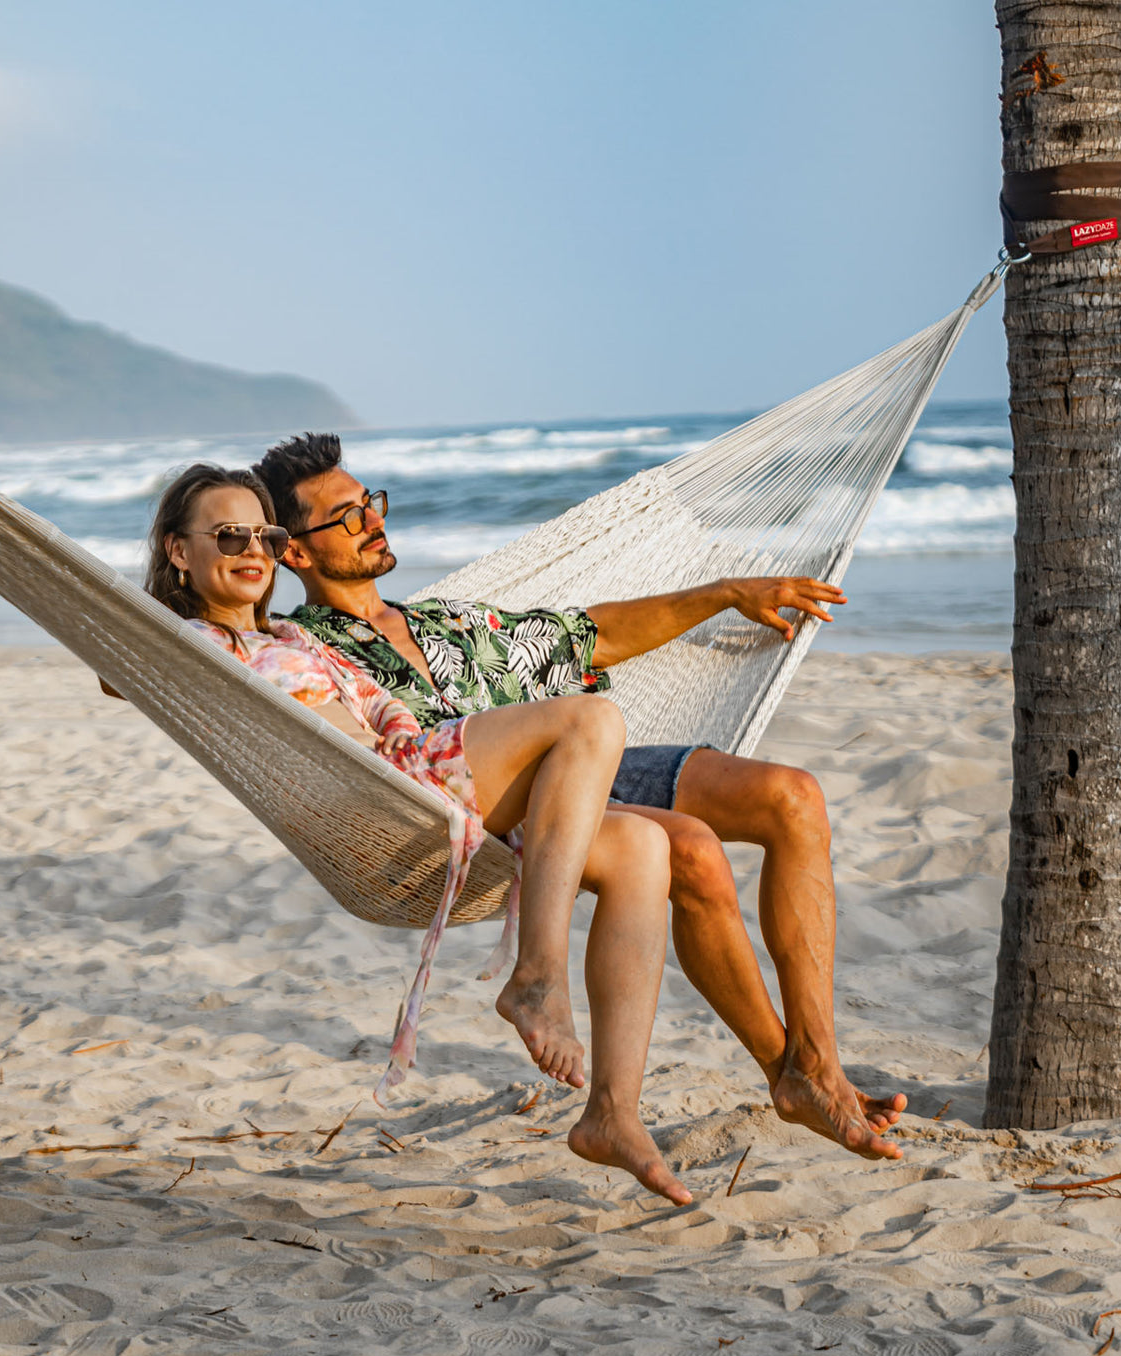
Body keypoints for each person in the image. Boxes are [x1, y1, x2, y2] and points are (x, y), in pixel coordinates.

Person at [254, 433, 908, 1162]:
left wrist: (726, 592)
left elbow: (586, 639)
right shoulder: (296, 644)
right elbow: (194, 647)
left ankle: (816, 1063)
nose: (374, 519)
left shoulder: (446, 624)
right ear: (295, 553)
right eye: (346, 516)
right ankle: (787, 1076)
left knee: (792, 797)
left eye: (370, 502)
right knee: (688, 848)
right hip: (483, 809)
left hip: (580, 764)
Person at [145, 461, 692, 1204]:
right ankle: (536, 976)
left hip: (408, 774)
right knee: (591, 717)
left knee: (643, 846)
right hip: (383, 806)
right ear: (180, 552)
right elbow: (127, 666)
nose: (251, 549)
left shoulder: (296, 640)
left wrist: (395, 735)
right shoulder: (194, 643)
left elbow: (377, 708)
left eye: (263, 534)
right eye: (228, 535)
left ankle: (611, 1112)